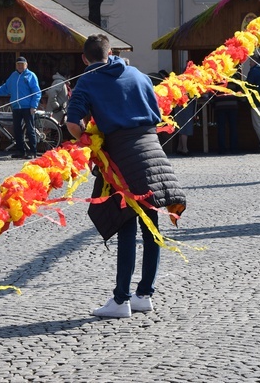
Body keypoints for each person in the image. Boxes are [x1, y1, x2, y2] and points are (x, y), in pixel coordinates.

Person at [66, 34, 186, 318]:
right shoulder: (137, 74)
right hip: (153, 151)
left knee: (127, 226)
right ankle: (144, 294)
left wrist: (88, 141)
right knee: (151, 225)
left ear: (85, 58)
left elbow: (72, 123)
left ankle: (121, 300)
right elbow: (156, 113)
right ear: (112, 52)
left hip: (122, 156)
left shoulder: (87, 81)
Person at [0, 56, 41, 159]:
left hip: (28, 107)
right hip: (16, 107)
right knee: (17, 130)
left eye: (22, 64)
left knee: (30, 130)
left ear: (26, 65)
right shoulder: (13, 76)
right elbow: (5, 87)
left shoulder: (31, 75)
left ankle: (33, 152)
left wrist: (33, 106)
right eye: (18, 64)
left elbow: (37, 92)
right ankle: (21, 151)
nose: (20, 66)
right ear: (16, 65)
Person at [213, 81, 240, 155]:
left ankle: (222, 150)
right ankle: (234, 149)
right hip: (232, 105)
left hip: (220, 105)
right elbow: (239, 92)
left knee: (221, 128)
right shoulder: (235, 78)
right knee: (233, 128)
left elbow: (213, 92)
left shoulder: (217, 78)